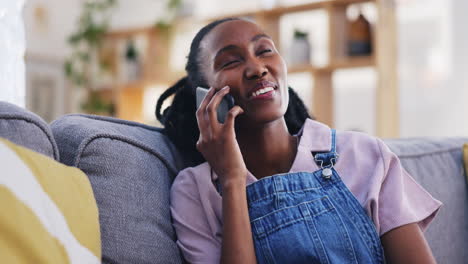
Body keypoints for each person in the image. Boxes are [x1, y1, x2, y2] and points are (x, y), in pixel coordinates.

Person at [156, 17, 442, 264]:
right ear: (205, 95)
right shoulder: (195, 189)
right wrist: (232, 179)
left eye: (265, 50)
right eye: (231, 61)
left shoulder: (363, 154)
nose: (257, 68)